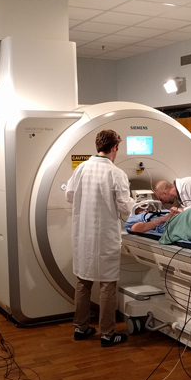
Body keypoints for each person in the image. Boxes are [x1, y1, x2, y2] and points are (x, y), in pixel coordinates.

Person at [65, 129, 134, 348]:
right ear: (115, 147)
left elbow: (69, 194)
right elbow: (125, 207)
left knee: (83, 281)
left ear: (98, 146)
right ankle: (107, 334)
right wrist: (142, 208)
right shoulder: (116, 173)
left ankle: (81, 328)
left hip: (83, 234)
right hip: (105, 236)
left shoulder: (82, 168)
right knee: (107, 284)